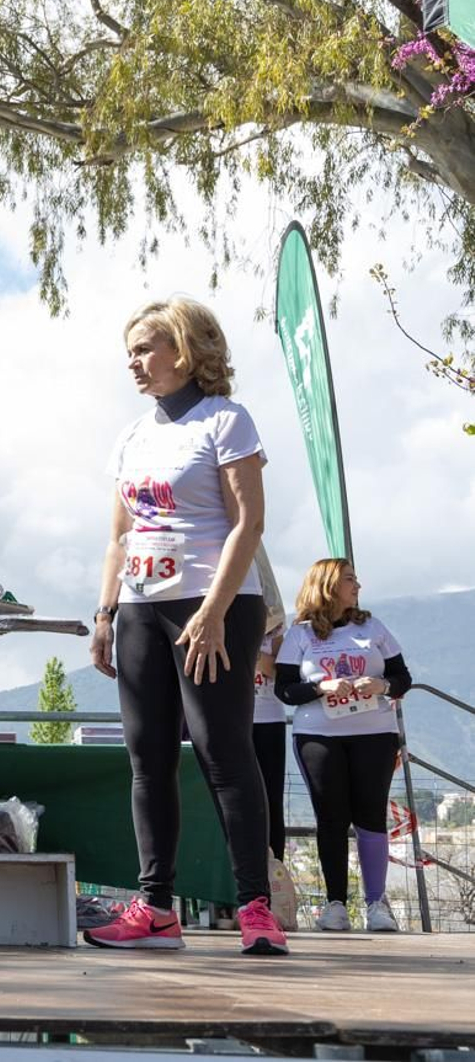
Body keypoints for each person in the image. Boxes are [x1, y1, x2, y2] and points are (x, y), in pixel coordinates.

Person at [84, 297, 287, 956]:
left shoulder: (226, 419)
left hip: (216, 603)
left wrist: (213, 612)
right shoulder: (132, 435)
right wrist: (106, 612)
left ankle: (256, 905)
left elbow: (247, 523)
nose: (134, 362)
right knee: (147, 759)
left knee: (223, 750)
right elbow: (120, 535)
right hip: (143, 606)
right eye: (130, 351)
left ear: (186, 348)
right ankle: (155, 907)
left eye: (146, 347)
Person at [276, 559, 412, 932]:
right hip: (319, 735)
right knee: (331, 818)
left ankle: (376, 904)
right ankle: (335, 904)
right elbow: (284, 690)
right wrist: (321, 687)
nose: (358, 585)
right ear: (329, 585)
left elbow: (403, 677)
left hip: (374, 733)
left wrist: (381, 686)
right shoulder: (300, 634)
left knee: (370, 814)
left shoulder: (372, 626)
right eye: (350, 579)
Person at [253, 620, 288, 860]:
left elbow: (281, 672)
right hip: (229, 719)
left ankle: (275, 871)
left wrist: (248, 651)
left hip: (268, 719)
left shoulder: (274, 627)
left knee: (270, 801)